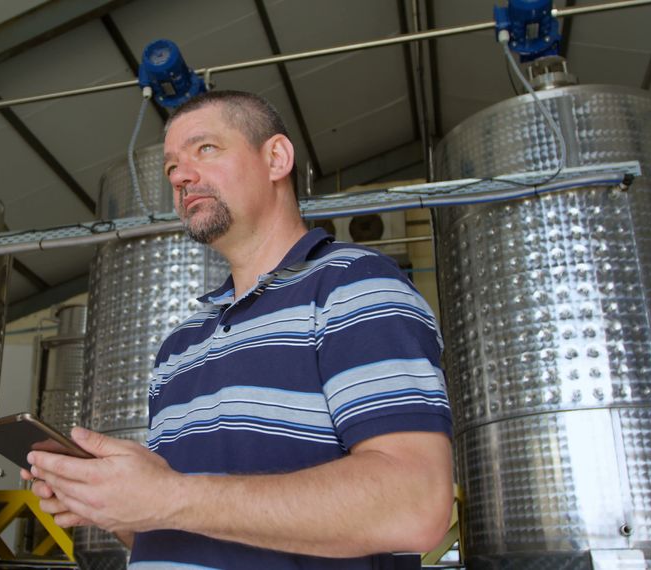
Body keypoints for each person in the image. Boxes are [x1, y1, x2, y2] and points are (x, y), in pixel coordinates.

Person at [23, 90, 453, 569]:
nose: (181, 176)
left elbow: (415, 503)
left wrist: (168, 495)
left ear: (276, 158)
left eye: (205, 149)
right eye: (171, 168)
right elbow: (186, 527)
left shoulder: (353, 286)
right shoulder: (178, 347)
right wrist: (115, 505)